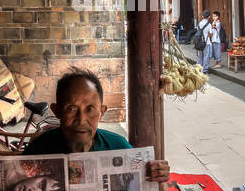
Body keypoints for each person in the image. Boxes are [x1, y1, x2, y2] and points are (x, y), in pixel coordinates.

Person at [21, 69, 175, 183]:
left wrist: (160, 177)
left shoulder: (118, 146)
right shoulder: (39, 149)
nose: (81, 120)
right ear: (56, 111)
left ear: (102, 112)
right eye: (71, 109)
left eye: (90, 109)